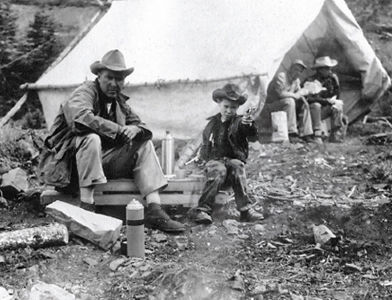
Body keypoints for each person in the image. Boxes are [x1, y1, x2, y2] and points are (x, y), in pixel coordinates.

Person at [38, 49, 185, 233]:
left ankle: (155, 209)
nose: (114, 84)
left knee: (144, 144)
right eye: (110, 77)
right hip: (70, 168)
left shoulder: (119, 103)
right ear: (99, 75)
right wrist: (118, 130)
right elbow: (80, 118)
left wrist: (135, 129)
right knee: (91, 139)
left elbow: (144, 127)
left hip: (99, 167)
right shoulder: (84, 93)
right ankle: (87, 207)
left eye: (119, 79)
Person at [193, 83, 264, 224]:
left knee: (237, 167)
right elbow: (206, 143)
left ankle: (245, 210)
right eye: (226, 106)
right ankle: (203, 209)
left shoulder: (239, 122)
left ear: (238, 108)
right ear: (219, 103)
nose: (229, 110)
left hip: (232, 159)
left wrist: (248, 124)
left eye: (233, 107)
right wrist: (203, 159)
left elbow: (251, 134)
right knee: (218, 169)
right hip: (216, 160)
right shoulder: (212, 124)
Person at [264, 59, 313, 143]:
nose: (298, 73)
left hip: (284, 106)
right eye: (296, 69)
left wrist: (302, 96)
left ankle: (306, 134)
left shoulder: (296, 81)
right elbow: (280, 94)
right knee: (290, 101)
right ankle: (291, 133)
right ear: (290, 69)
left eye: (300, 71)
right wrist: (295, 95)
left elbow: (299, 93)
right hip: (270, 107)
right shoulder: (281, 77)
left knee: (304, 103)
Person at [302, 56, 346, 143]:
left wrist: (336, 85)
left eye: (330, 68)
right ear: (320, 70)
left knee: (337, 106)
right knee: (316, 105)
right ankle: (316, 134)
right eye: (327, 69)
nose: (330, 71)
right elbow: (308, 98)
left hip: (324, 109)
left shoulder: (331, 79)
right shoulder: (310, 81)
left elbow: (336, 95)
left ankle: (335, 134)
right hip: (312, 112)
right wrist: (325, 101)